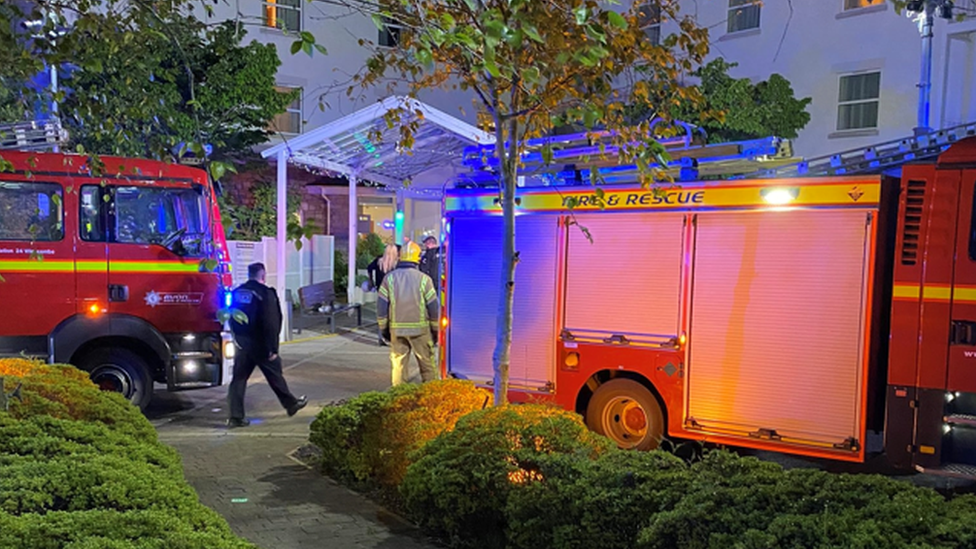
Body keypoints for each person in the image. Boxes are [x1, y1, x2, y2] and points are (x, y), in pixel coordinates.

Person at [227, 262, 307, 427]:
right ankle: (291, 404)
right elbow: (271, 322)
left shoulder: (236, 293)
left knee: (238, 380)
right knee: (274, 374)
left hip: (242, 344)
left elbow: (231, 318)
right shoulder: (265, 293)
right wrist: (272, 348)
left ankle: (235, 417)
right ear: (262, 275)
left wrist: (238, 339)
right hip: (261, 345)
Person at [377, 241, 440, 385]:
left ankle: (399, 400)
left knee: (398, 368)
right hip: (421, 331)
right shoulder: (425, 280)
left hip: (397, 331)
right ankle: (430, 397)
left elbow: (381, 308)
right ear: (417, 259)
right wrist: (435, 331)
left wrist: (384, 330)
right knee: (427, 366)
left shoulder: (389, 279)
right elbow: (433, 309)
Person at [367, 244, 401, 346]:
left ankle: (381, 337)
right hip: (394, 292)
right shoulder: (397, 264)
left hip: (381, 291)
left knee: (382, 315)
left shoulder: (379, 261)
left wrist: (372, 282)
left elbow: (369, 268)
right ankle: (391, 337)